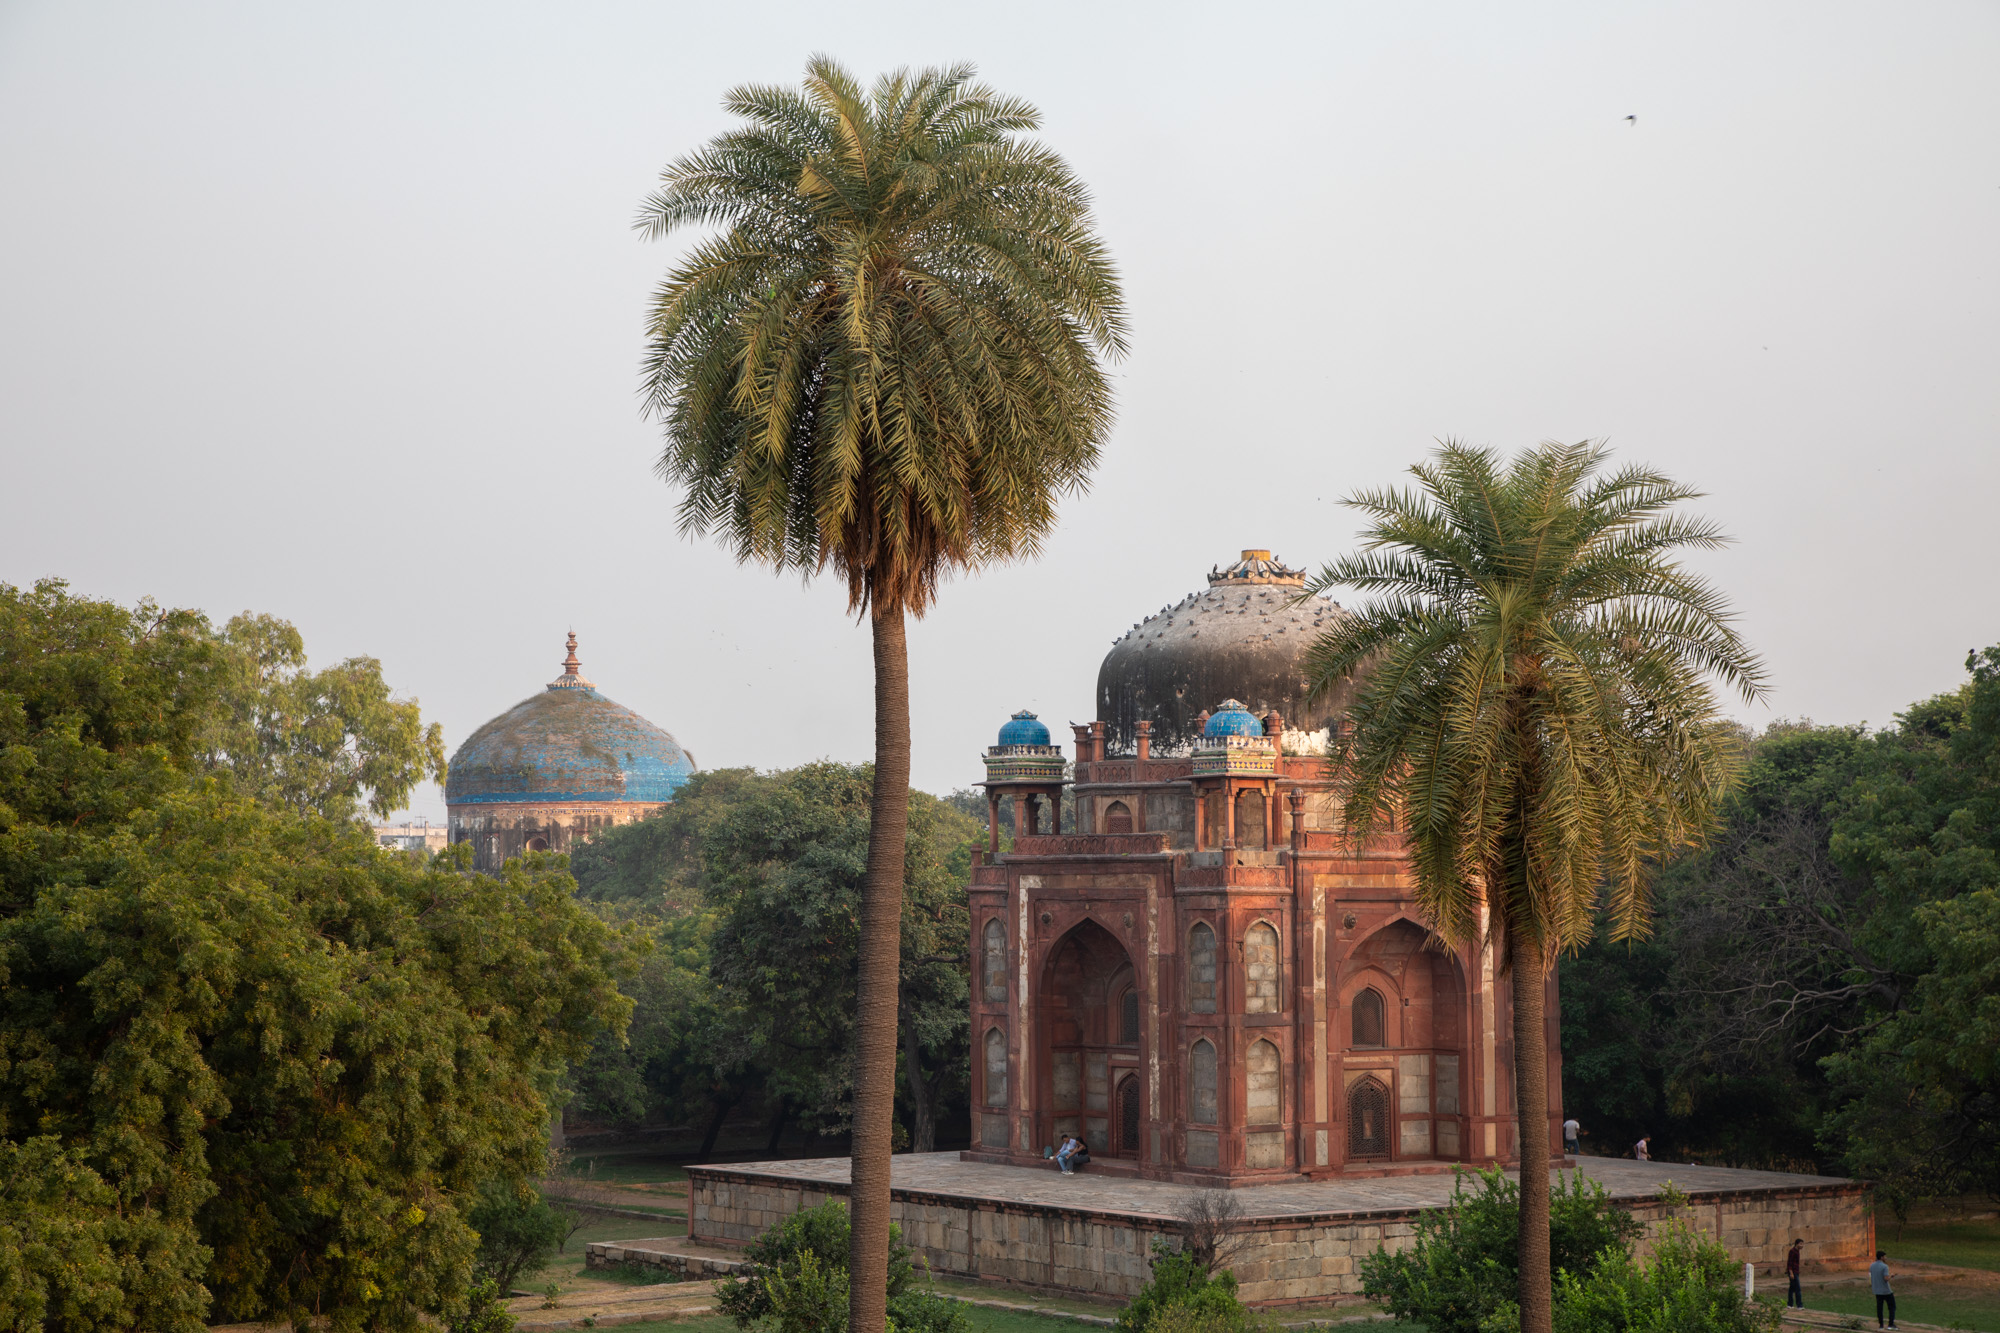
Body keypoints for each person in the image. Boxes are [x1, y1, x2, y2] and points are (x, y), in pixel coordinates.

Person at [1870, 1250, 1895, 1329]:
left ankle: (1881, 1325)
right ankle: (1890, 1324)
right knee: (1892, 1307)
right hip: (1886, 1290)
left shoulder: (1872, 1265)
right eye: (1885, 1256)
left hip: (1877, 1290)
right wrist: (1891, 1276)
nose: (1886, 1258)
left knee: (1879, 1308)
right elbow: (1886, 1278)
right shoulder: (1884, 1266)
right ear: (1881, 1257)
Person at [1786, 1238, 1805, 1309]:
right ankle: (1799, 1305)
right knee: (1798, 1289)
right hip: (1793, 1272)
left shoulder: (1797, 1251)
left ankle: (1790, 1304)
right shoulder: (1792, 1251)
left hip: (1796, 1271)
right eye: (1800, 1244)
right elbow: (1790, 1263)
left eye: (1802, 1244)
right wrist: (1791, 1273)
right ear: (1797, 1244)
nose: (1802, 1245)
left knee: (1792, 1288)